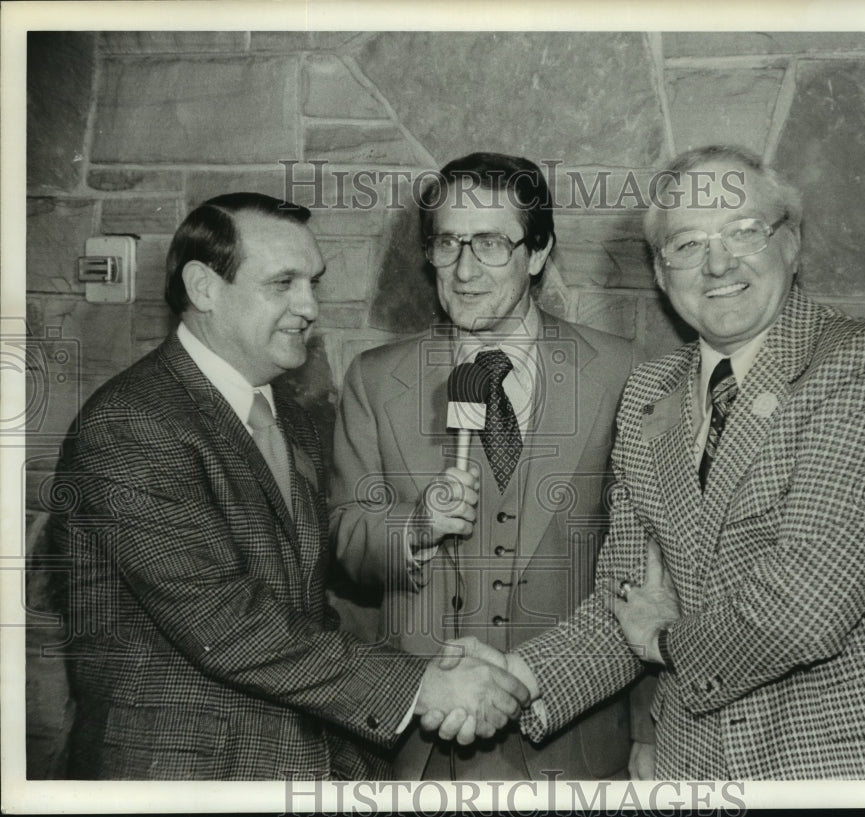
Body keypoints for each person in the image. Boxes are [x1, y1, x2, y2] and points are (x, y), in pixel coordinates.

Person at [461, 145, 865, 778]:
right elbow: (627, 600)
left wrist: (664, 640)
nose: (718, 263)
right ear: (662, 274)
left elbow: (801, 614)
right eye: (687, 244)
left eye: (744, 232)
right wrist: (514, 678)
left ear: (791, 245)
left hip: (842, 769)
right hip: (692, 768)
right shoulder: (648, 393)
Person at [49, 192, 529, 780]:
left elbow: (300, 604)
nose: (308, 306)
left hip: (293, 761)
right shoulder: (132, 422)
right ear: (203, 287)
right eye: (283, 283)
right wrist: (421, 684)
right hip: (182, 776)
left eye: (314, 283)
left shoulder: (287, 417)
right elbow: (225, 622)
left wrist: (424, 669)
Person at [330, 153, 638, 779]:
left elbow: (656, 567)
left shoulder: (621, 372)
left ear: (538, 251)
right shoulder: (375, 379)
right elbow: (345, 541)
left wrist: (651, 732)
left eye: (492, 244)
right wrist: (413, 527)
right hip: (423, 746)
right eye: (448, 243)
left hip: (571, 745)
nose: (465, 271)